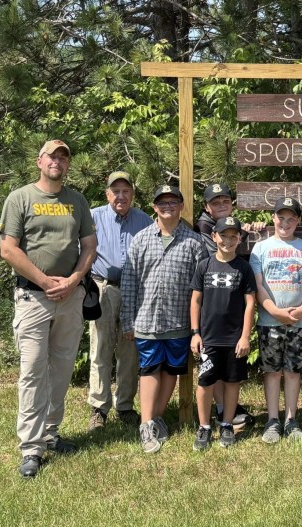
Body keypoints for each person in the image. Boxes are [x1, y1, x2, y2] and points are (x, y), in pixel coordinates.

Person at [0, 139, 97, 479]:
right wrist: (44, 281)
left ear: (68, 165)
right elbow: (9, 249)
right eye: (52, 156)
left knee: (62, 368)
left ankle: (51, 433)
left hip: (70, 297)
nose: (57, 162)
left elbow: (89, 246)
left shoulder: (77, 201)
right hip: (33, 298)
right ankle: (31, 447)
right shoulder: (21, 198)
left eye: (63, 157)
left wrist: (73, 280)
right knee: (32, 371)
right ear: (40, 161)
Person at [120, 185, 206, 453]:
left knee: (172, 371)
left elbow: (199, 289)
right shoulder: (141, 239)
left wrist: (196, 328)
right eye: (162, 202)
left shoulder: (194, 243)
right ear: (154, 207)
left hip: (179, 322)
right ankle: (145, 424)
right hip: (147, 321)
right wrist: (128, 321)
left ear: (181, 206)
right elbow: (129, 282)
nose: (167, 206)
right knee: (149, 369)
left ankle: (156, 417)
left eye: (173, 202)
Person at [86, 171, 153, 431]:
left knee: (129, 351)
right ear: (107, 194)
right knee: (101, 348)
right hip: (103, 287)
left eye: (126, 191)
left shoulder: (145, 220)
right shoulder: (93, 217)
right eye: (116, 191)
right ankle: (99, 408)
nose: (121, 196)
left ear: (133, 194)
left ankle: (125, 405)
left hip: (134, 291)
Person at [194, 182, 264, 429]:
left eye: (225, 200)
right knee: (210, 371)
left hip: (231, 311)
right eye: (215, 202)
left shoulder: (226, 227)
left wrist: (249, 230)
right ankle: (221, 412)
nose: (221, 205)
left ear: (232, 203)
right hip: (211, 306)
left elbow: (233, 241)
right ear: (207, 207)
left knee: (227, 369)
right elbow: (225, 254)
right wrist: (244, 232)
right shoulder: (205, 226)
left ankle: (226, 412)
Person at [250, 197, 302, 444]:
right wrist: (274, 311)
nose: (285, 222)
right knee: (272, 371)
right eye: (281, 217)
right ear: (273, 218)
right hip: (270, 321)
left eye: (291, 218)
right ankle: (272, 420)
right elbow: (258, 285)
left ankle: (291, 419)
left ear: (298, 221)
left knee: (293, 371)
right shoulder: (261, 248)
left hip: (300, 321)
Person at [190, 216, 257, 450]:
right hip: (208, 337)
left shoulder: (244, 268)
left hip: (234, 339)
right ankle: (204, 427)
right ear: (214, 236)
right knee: (205, 381)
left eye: (233, 236)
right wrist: (195, 333)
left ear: (239, 239)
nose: (228, 240)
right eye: (223, 235)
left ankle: (227, 424)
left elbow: (250, 304)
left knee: (231, 381)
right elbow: (196, 301)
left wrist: (245, 336)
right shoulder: (204, 265)